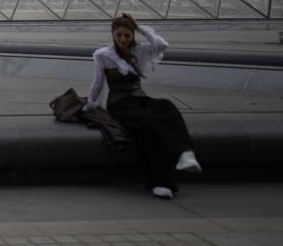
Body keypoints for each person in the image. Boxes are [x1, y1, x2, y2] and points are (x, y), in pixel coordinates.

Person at [85, 14, 201, 199]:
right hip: (120, 105)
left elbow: (162, 45)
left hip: (139, 99)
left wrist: (139, 27)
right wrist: (91, 105)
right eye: (119, 35)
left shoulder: (140, 51)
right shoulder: (103, 55)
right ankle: (159, 182)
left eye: (127, 35)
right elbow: (97, 84)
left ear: (133, 35)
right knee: (150, 123)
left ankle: (185, 153)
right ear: (113, 35)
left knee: (167, 106)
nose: (123, 39)